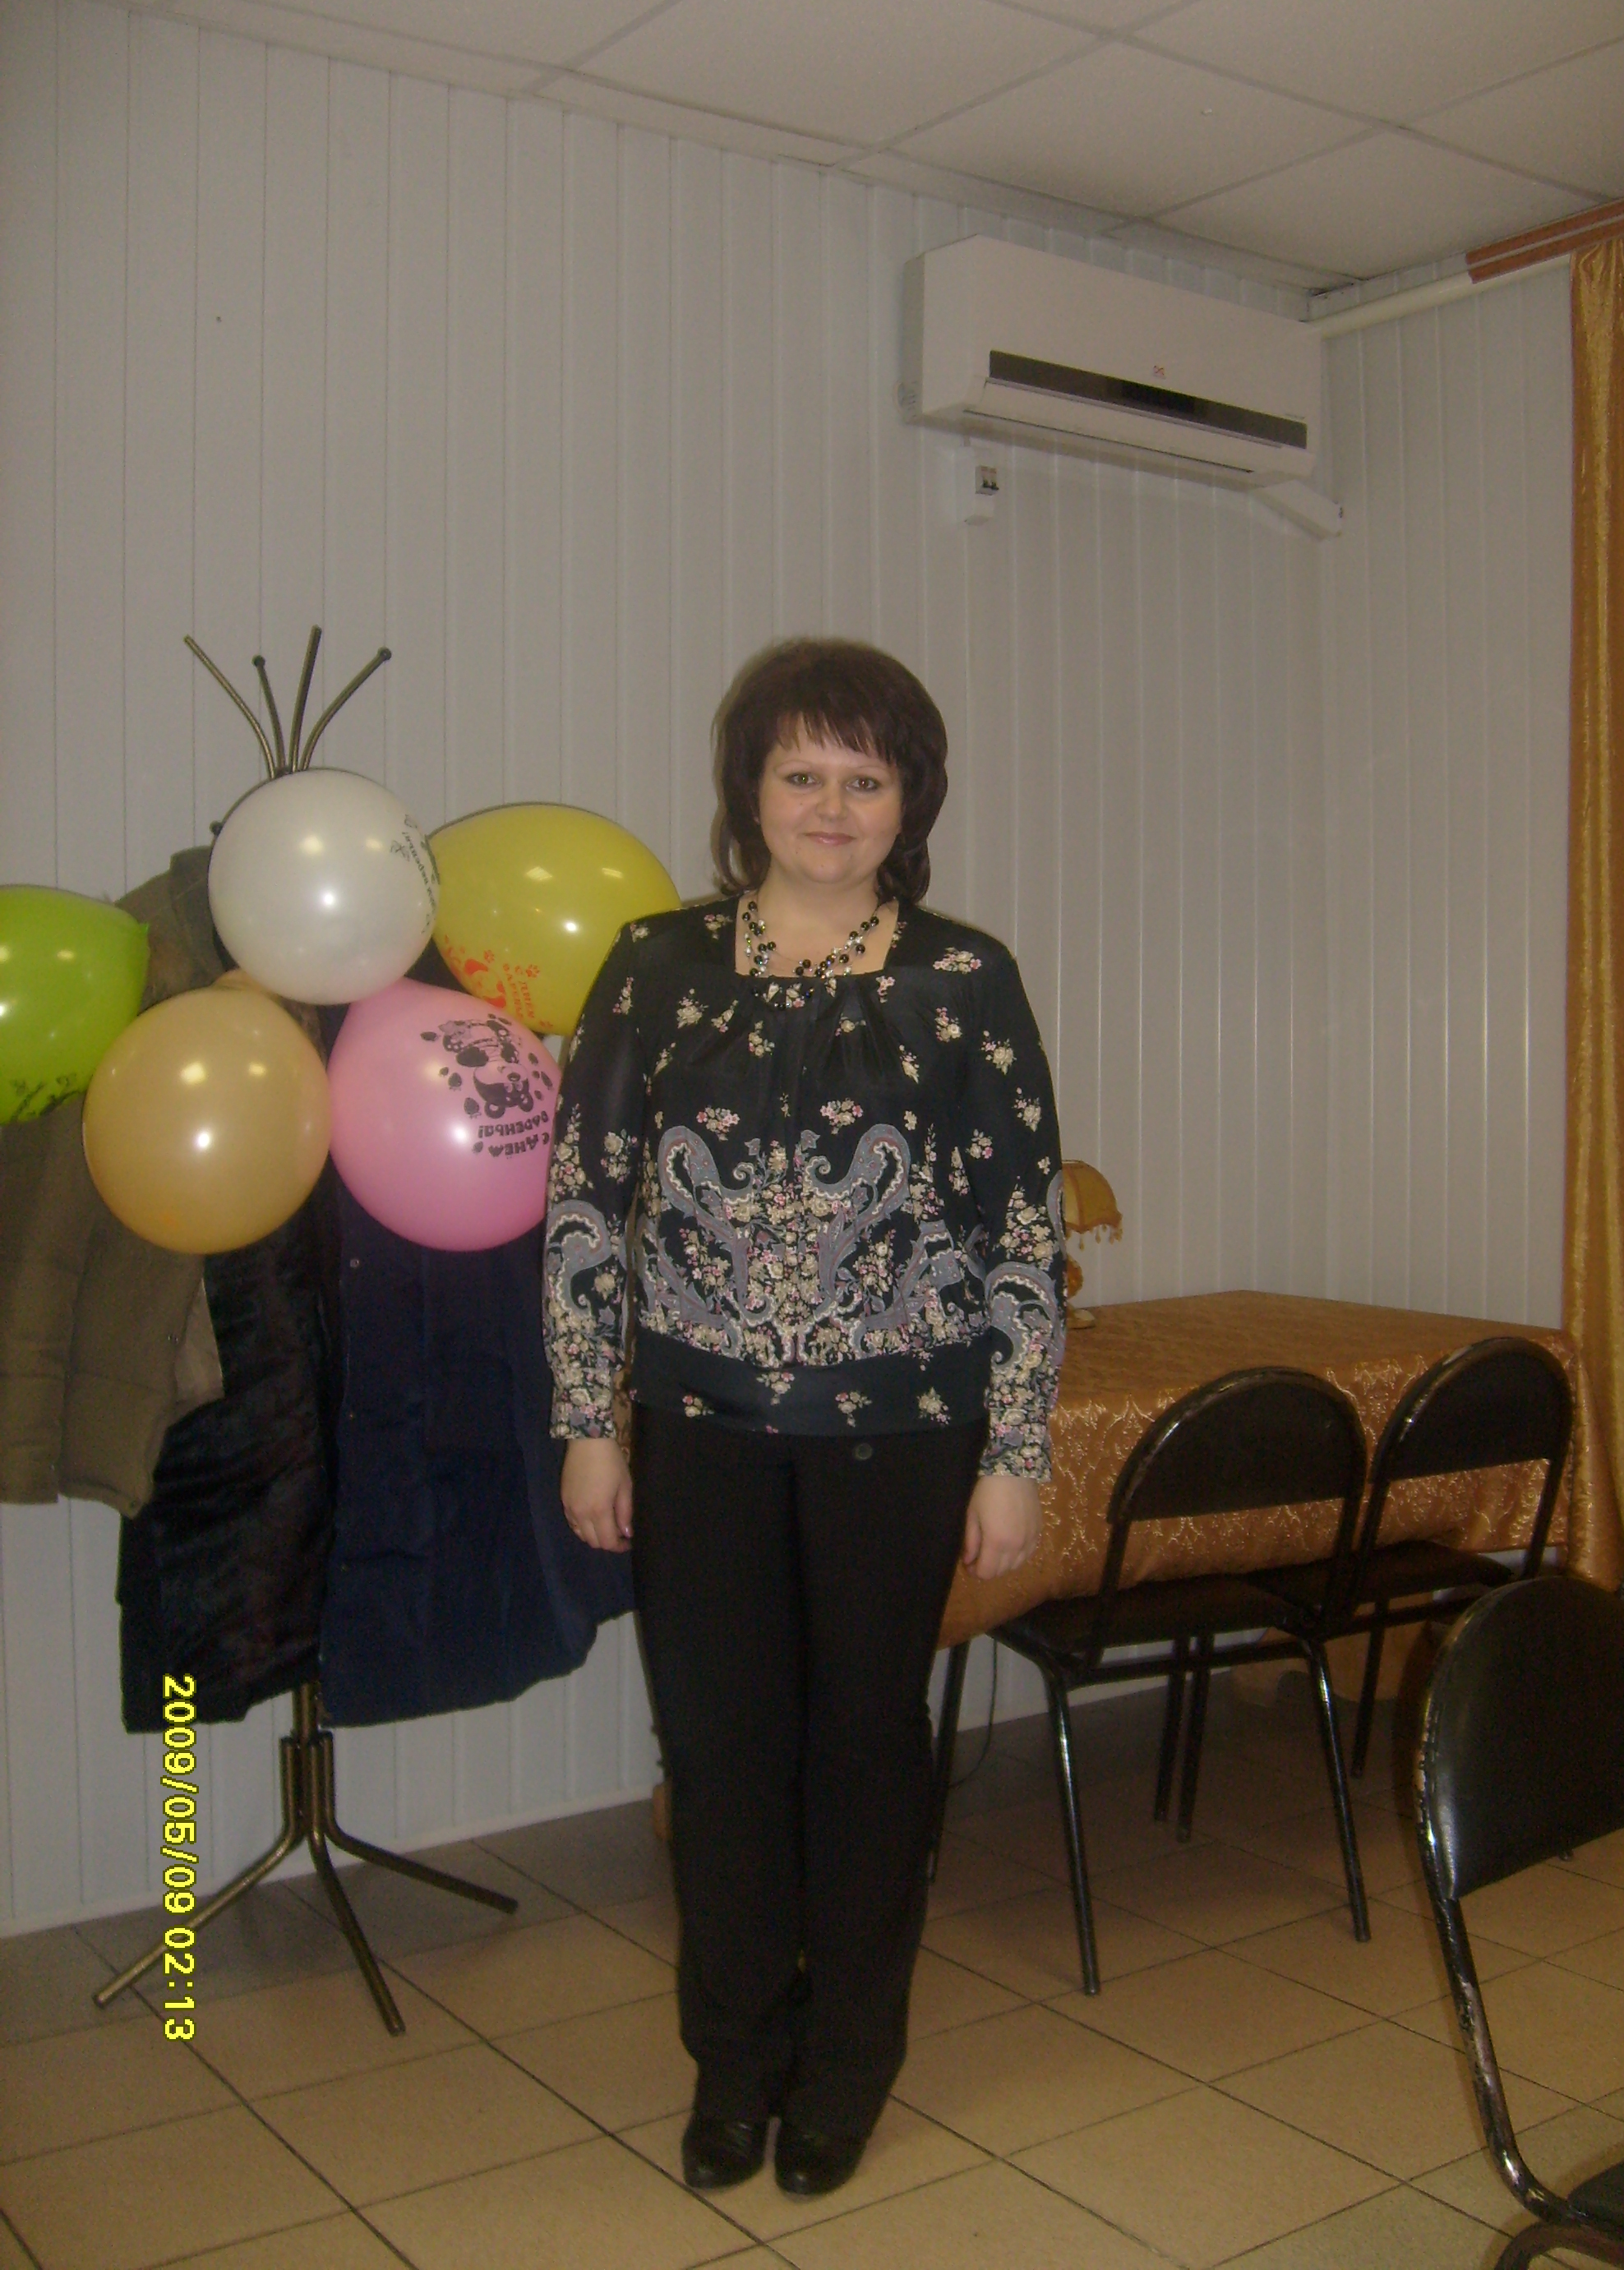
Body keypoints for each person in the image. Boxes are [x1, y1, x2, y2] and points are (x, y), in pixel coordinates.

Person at [543, 637, 1065, 2198]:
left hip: (902, 1432)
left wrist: (1016, 1454)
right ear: (748, 788)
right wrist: (589, 1421)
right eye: (801, 773)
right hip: (698, 1427)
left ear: (910, 800)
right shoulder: (655, 964)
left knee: (864, 1751)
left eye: (865, 778)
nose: (831, 806)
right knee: (718, 1754)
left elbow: (1022, 1231)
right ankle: (735, 2062)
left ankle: (846, 2065)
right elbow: (587, 1204)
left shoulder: (965, 980)